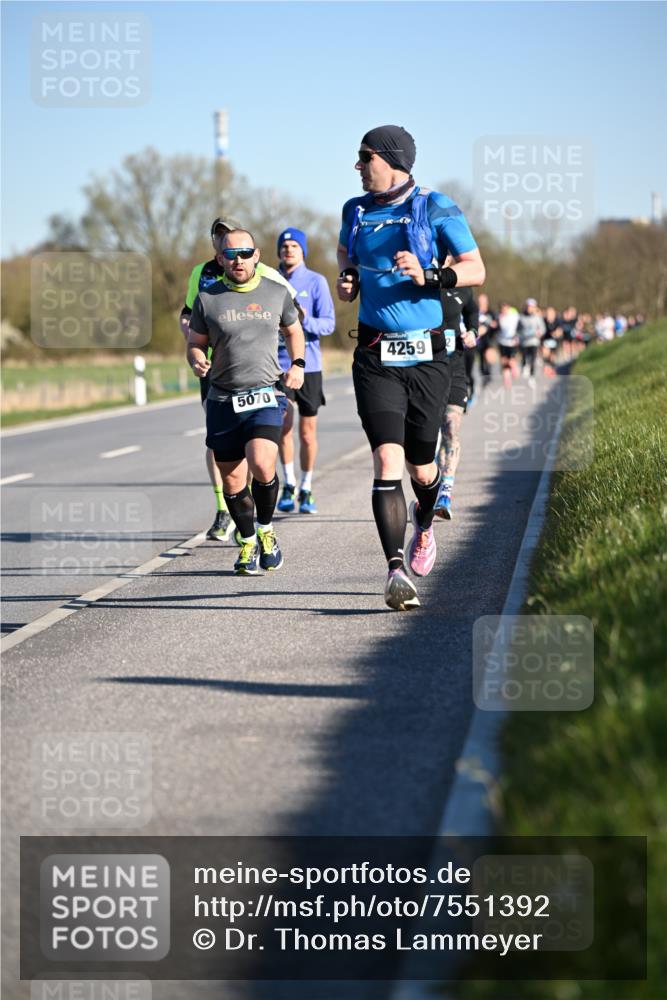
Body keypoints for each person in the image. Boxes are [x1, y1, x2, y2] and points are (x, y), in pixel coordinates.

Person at [336, 124, 485, 611]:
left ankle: (423, 524)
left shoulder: (436, 206)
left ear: (393, 159)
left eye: (365, 157)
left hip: (427, 358)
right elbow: (346, 253)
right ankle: (394, 570)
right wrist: (350, 277)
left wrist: (431, 275)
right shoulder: (354, 211)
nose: (357, 166)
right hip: (375, 356)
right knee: (386, 461)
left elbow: (475, 268)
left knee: (423, 469)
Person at [187, 229, 305, 575]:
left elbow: (294, 330)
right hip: (223, 398)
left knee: (262, 462)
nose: (238, 259)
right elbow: (195, 341)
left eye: (245, 252)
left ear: (257, 255)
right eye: (230, 254)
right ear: (221, 258)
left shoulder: (276, 292)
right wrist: (195, 358)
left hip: (265, 393)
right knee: (234, 483)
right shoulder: (208, 298)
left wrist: (297, 364)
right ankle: (248, 539)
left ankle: (267, 530)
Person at [274, 228, 336, 515]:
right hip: (276, 365)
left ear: (302, 251)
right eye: (284, 246)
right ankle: (288, 483)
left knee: (307, 433)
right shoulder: (267, 280)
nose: (288, 250)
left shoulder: (316, 281)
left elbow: (329, 324)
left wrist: (304, 320)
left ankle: (307, 486)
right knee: (282, 428)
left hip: (308, 366)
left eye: (294, 246)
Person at [434, 285, 479, 519]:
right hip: (426, 371)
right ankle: (431, 481)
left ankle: (445, 492)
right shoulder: (419, 281)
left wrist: (472, 331)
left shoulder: (463, 286)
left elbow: (473, 312)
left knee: (451, 427)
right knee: (430, 434)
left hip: (455, 368)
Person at [517, 298, 546, 386]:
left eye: (532, 307)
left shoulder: (538, 318)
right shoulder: (521, 317)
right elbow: (518, 330)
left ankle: (532, 377)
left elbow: (543, 329)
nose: (530, 309)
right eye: (529, 307)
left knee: (533, 359)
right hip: (524, 342)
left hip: (534, 341)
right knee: (525, 357)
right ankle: (525, 366)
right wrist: (521, 335)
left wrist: (539, 333)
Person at [497, 302, 520, 388]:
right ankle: (507, 379)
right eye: (502, 309)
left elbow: (519, 325)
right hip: (502, 342)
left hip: (512, 343)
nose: (504, 310)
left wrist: (517, 336)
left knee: (511, 360)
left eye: (506, 308)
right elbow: (500, 329)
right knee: (504, 361)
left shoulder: (514, 315)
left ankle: (514, 369)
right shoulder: (500, 317)